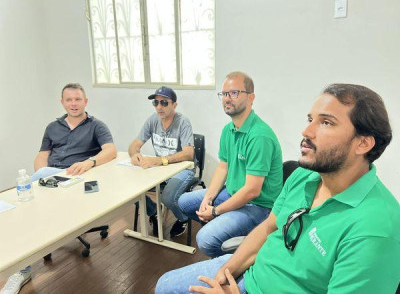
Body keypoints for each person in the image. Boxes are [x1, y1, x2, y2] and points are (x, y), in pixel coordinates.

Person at [155, 83, 400, 294]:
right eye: (310, 119)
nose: (306, 132)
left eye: (326, 122)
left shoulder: (376, 228)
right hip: (252, 274)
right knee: (164, 285)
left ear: (364, 143)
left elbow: (252, 191)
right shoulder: (304, 176)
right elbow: (268, 228)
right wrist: (223, 274)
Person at [0, 83, 117, 294]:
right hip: (51, 177)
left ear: (85, 102)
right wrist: (40, 178)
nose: (73, 104)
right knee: (20, 208)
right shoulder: (52, 127)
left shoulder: (96, 125)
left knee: (27, 212)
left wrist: (89, 162)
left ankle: (21, 270)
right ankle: (18, 264)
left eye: (78, 99)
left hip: (77, 179)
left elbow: (110, 151)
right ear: (62, 102)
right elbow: (42, 156)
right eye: (69, 100)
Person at [178, 72, 283, 258]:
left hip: (258, 206)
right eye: (224, 94)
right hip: (233, 193)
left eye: (234, 93)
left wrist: (216, 211)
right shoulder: (228, 129)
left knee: (205, 239)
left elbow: (252, 191)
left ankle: (239, 260)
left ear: (251, 98)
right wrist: (208, 199)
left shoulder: (259, 136)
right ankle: (227, 235)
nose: (227, 98)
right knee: (184, 202)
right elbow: (222, 167)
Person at [128, 86, 195, 238]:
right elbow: (134, 145)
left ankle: (183, 217)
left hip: (183, 169)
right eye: (156, 103)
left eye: (164, 103)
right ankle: (153, 211)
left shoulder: (183, 122)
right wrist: (135, 154)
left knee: (168, 196)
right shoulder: (153, 120)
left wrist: (161, 160)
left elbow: (189, 153)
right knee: (131, 190)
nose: (159, 107)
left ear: (174, 105)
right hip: (160, 169)